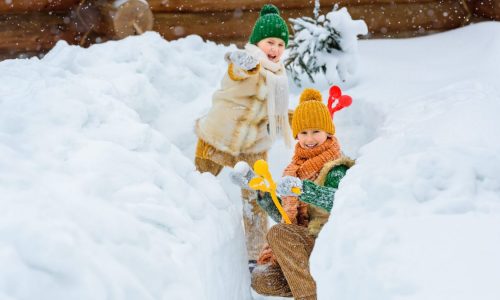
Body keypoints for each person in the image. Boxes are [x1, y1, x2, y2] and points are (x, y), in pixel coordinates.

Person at [231, 88, 354, 299]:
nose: (310, 138)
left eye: (316, 131)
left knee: (278, 233)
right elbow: (287, 218)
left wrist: (304, 190)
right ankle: (320, 288)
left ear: (328, 132)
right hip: (304, 247)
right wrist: (260, 191)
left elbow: (341, 203)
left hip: (328, 243)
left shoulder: (336, 167)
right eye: (304, 133)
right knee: (263, 278)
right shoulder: (296, 167)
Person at [194, 4, 292, 263]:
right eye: (270, 42)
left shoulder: (279, 76)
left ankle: (254, 256)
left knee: (257, 198)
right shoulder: (249, 64)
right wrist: (242, 64)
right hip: (217, 139)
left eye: (281, 44)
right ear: (257, 43)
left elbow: (275, 111)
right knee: (197, 187)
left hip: (253, 149)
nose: (275, 49)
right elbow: (237, 72)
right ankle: (193, 240)